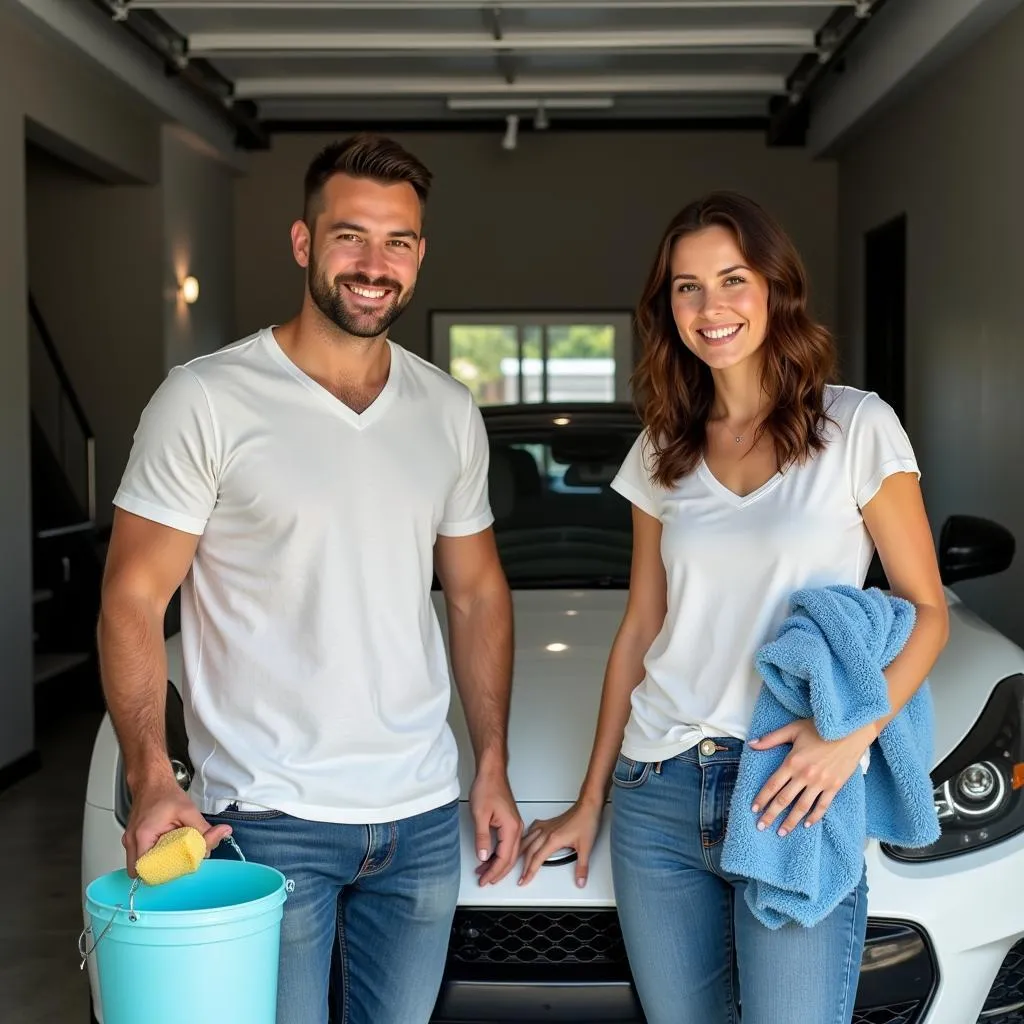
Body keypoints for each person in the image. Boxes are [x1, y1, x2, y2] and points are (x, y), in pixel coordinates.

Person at [97, 133, 522, 1024]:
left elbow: (478, 593)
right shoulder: (206, 399)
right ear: (303, 242)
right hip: (264, 820)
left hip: (419, 820)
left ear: (420, 254)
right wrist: (150, 776)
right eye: (349, 236)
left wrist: (491, 764)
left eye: (398, 240)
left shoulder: (446, 410)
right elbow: (133, 599)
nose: (375, 264)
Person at [517, 192, 949, 1023]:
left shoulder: (855, 426)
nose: (709, 308)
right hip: (659, 788)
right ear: (666, 305)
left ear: (775, 288)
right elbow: (643, 625)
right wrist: (589, 797)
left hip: (789, 782)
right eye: (686, 287)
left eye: (731, 280)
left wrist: (847, 737)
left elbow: (925, 610)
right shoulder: (662, 446)